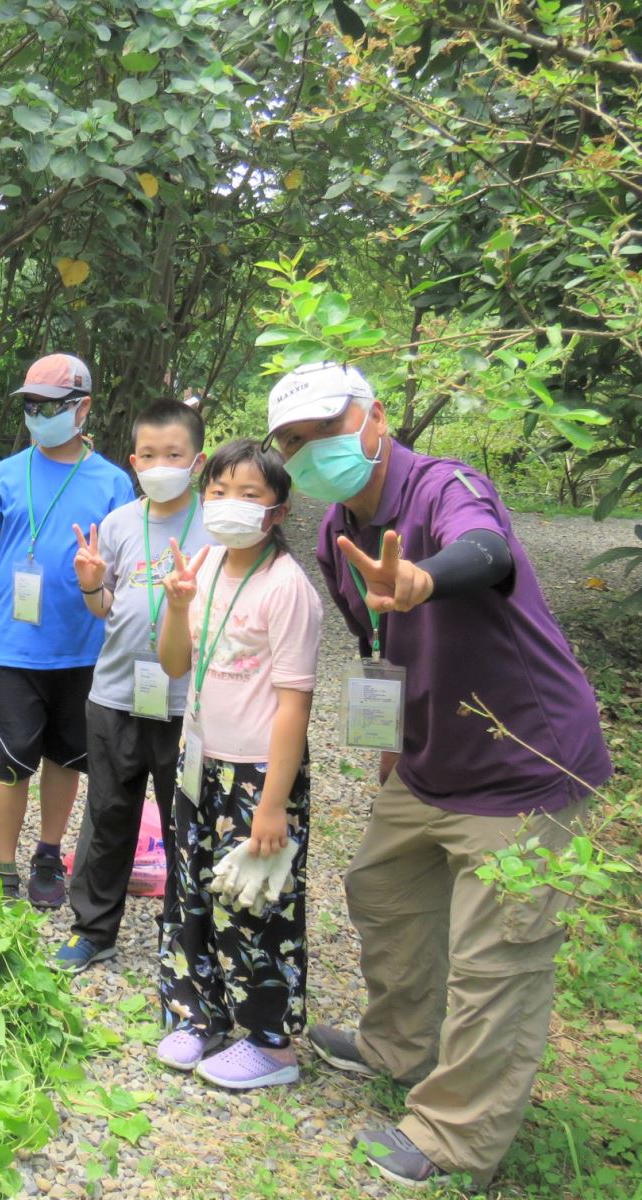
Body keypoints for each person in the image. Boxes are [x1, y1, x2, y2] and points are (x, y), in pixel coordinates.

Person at [266, 362, 612, 1186]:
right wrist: (392, 744)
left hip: (523, 761)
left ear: (375, 418)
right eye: (296, 442)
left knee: (498, 957)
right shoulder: (333, 532)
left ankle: (457, 1135)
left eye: (326, 430)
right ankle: (397, 1042)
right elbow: (378, 647)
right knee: (383, 890)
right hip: (426, 760)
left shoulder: (445, 485)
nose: (313, 452)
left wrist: (424, 578)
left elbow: (486, 550)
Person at [0, 353, 136, 907]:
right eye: (30, 405)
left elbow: (124, 566)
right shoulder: (7, 472)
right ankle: (2, 865)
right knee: (12, 758)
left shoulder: (115, 483)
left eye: (50, 406)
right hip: (14, 647)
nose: (37, 415)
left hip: (82, 646)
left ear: (83, 409)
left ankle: (48, 855)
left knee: (67, 757)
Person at [153, 438, 322, 1090]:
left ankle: (272, 1045)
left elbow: (293, 704)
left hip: (258, 772)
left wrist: (274, 803)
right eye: (219, 492)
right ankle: (200, 1015)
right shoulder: (205, 565)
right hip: (201, 760)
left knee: (259, 900)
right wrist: (174, 604)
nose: (229, 505)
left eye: (249, 494)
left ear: (277, 512)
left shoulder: (287, 588)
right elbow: (174, 665)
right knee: (192, 889)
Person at [53, 399, 215, 971]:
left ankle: (183, 931)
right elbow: (106, 610)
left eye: (173, 454)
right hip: (116, 693)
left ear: (197, 461)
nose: (160, 463)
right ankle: (93, 929)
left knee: (186, 821)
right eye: (149, 454)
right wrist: (92, 585)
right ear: (133, 459)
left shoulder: (214, 524)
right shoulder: (120, 522)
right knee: (107, 815)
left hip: (187, 704)